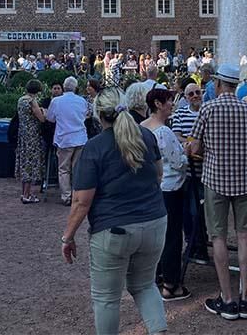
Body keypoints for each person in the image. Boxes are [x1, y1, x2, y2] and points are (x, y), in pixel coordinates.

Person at [61, 87, 168, 335]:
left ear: (100, 115)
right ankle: (159, 331)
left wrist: (68, 236)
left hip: (113, 229)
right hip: (154, 222)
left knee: (107, 298)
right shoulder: (147, 136)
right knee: (144, 286)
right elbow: (159, 175)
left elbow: (81, 202)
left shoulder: (94, 148)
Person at [187, 64, 247, 321]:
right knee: (245, 236)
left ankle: (227, 298)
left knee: (218, 236)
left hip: (215, 179)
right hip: (245, 179)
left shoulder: (207, 108)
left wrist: (207, 152)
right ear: (235, 85)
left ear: (218, 84)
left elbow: (194, 146)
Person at [141, 87, 190, 302]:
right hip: (170, 188)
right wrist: (186, 152)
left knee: (155, 236)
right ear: (159, 104)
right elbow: (178, 163)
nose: (173, 104)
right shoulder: (164, 131)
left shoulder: (142, 127)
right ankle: (171, 285)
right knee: (171, 237)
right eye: (169, 101)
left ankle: (155, 276)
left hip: (150, 188)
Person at [172, 82, 209, 264]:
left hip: (206, 171)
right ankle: (193, 243)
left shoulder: (208, 111)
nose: (195, 96)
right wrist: (192, 141)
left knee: (200, 210)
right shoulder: (180, 114)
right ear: (186, 98)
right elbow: (176, 135)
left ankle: (200, 244)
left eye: (197, 92)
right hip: (187, 171)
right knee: (188, 210)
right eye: (191, 94)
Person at [47, 76, 88, 206]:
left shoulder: (56, 101)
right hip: (80, 137)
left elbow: (50, 118)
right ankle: (77, 194)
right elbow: (86, 115)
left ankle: (66, 196)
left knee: (63, 169)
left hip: (64, 138)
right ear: (75, 87)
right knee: (77, 168)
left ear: (64, 87)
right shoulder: (82, 101)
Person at [17, 79, 46, 204]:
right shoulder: (32, 101)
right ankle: (27, 194)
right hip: (32, 135)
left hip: (23, 133)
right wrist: (43, 112)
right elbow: (41, 118)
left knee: (24, 161)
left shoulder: (21, 100)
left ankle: (24, 192)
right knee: (31, 162)